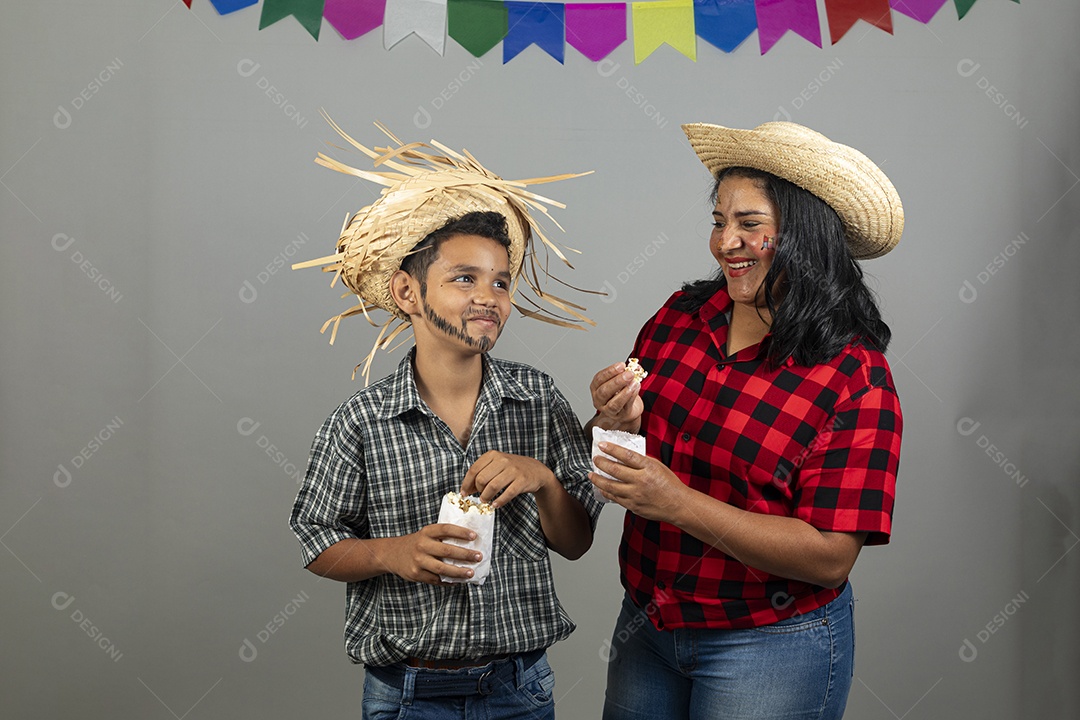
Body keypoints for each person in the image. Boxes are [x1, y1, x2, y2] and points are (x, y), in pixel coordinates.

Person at [587, 121, 904, 720]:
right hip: (648, 624)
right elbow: (612, 454)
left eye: (749, 225)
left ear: (804, 238)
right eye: (718, 221)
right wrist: (610, 419)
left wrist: (677, 502)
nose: (724, 242)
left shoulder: (854, 377)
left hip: (770, 641)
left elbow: (830, 555)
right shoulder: (680, 318)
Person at [290, 120, 603, 720]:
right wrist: (392, 554)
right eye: (464, 278)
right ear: (407, 292)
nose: (488, 295)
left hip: (519, 688)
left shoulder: (536, 399)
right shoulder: (363, 420)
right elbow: (316, 540)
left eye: (501, 282)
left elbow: (576, 543)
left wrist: (540, 475)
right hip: (408, 694)